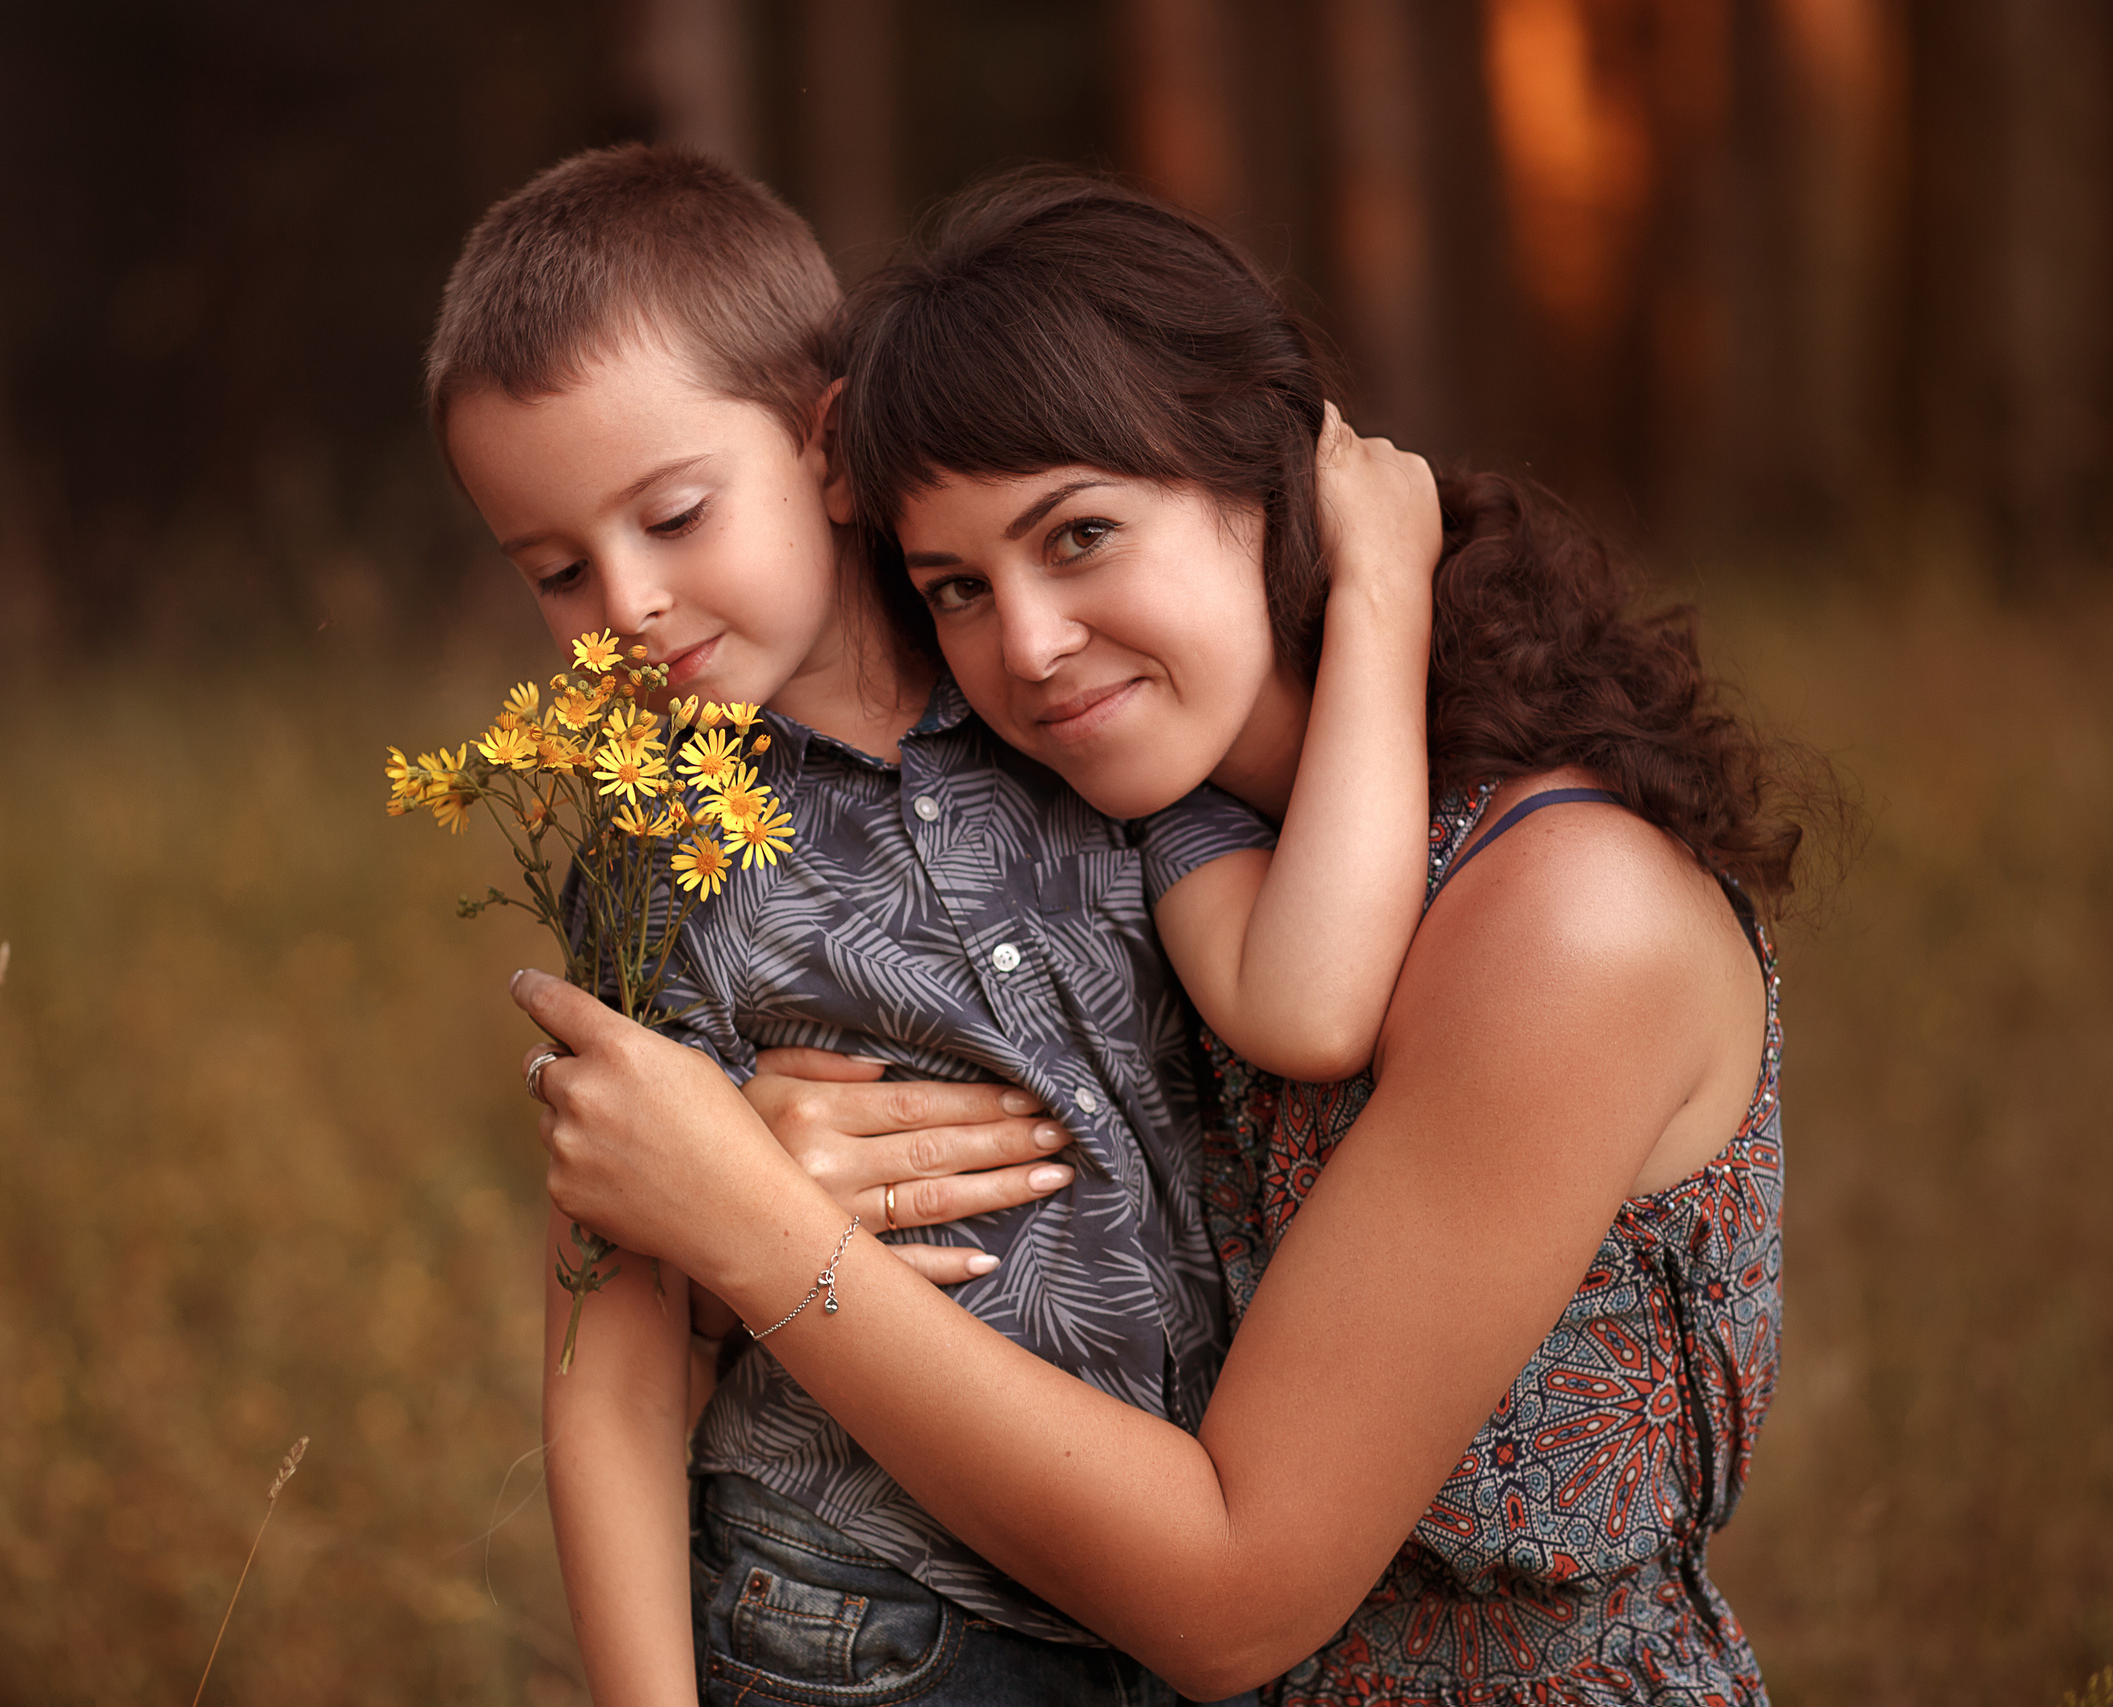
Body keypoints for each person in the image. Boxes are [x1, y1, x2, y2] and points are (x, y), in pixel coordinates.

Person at [514, 175, 1832, 1703]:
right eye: (956, 586)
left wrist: (759, 1230)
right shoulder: (1105, 823)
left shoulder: (1563, 915)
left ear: (1269, 481)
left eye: (1081, 535)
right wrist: (757, 1138)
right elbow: (611, 1303)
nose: (1028, 647)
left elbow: (1226, 1601)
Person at [428, 149, 1445, 1705]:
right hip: (856, 1613)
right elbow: (614, 1379)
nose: (625, 604)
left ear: (830, 450)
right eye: (559, 572)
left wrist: (1385, 597)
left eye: (676, 516)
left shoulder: (1051, 696)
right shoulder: (655, 847)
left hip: (1169, 1584)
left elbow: (1305, 1002)